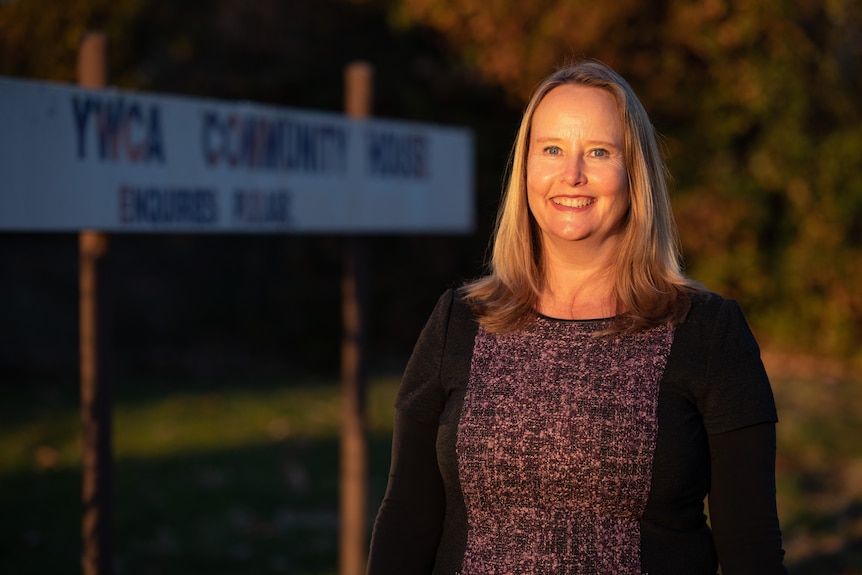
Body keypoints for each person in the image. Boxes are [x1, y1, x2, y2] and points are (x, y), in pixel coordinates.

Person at [366, 59, 788, 575]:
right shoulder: (461, 320)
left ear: (635, 174)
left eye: (598, 151)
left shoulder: (707, 331)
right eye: (551, 150)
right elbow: (408, 520)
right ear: (525, 170)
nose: (571, 175)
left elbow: (751, 546)